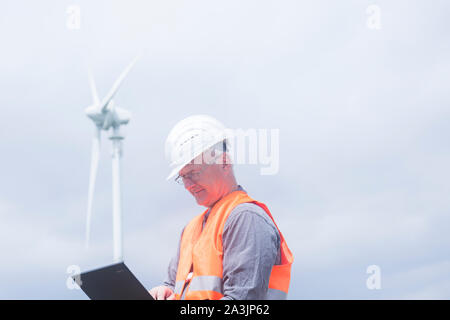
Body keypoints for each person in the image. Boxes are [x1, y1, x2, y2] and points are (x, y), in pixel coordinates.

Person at [149, 115, 293, 300]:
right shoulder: (191, 230)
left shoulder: (246, 218)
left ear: (224, 162)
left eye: (193, 172)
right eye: (182, 176)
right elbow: (175, 288)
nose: (188, 184)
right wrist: (164, 291)